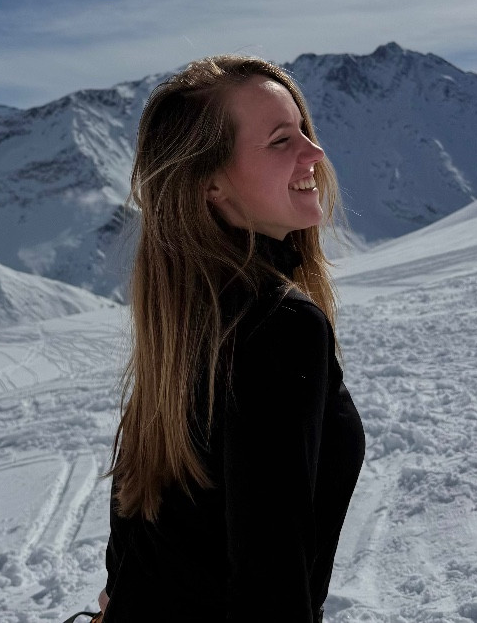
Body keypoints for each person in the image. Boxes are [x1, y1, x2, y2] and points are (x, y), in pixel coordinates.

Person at [98, 55, 365, 622]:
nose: (315, 153)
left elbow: (138, 514)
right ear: (212, 185)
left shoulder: (189, 315)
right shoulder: (278, 325)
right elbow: (271, 578)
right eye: (280, 140)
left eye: (304, 131)